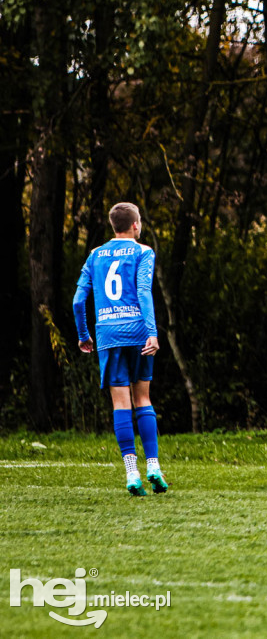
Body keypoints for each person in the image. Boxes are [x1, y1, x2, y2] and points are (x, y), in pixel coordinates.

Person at [73, 202, 167, 496]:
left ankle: (131, 472)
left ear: (114, 227)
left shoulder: (95, 255)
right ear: (136, 225)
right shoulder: (143, 252)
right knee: (143, 399)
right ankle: (153, 466)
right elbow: (142, 291)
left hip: (108, 334)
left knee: (121, 404)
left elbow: (78, 301)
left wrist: (83, 335)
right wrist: (152, 332)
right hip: (138, 331)